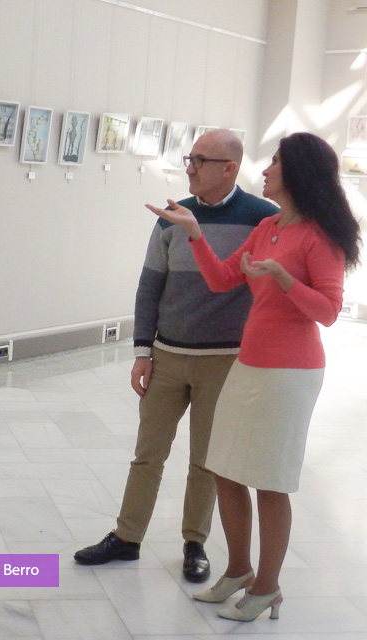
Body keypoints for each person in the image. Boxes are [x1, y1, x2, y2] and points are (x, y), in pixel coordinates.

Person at [147, 132, 361, 621]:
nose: (265, 169)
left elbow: (327, 311)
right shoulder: (266, 226)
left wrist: (285, 279)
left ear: (300, 172)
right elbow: (224, 278)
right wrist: (196, 233)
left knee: (270, 481)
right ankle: (239, 570)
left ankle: (267, 587)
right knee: (224, 469)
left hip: (290, 372)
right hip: (250, 363)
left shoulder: (319, 236)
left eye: (277, 162)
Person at [74, 129, 278, 583]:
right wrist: (143, 350)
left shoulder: (264, 219)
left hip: (224, 361)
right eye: (189, 157)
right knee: (148, 453)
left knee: (206, 460)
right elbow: (150, 286)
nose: (189, 167)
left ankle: (194, 543)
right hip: (167, 355)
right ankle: (127, 537)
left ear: (229, 168)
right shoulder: (170, 219)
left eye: (199, 160)